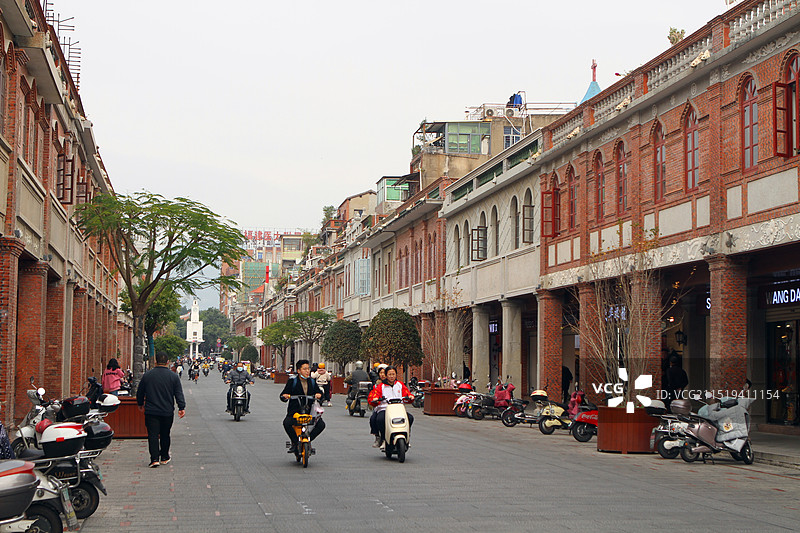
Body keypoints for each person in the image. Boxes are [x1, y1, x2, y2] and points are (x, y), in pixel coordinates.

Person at [136, 351, 186, 468]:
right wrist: (181, 407)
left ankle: (154, 459)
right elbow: (178, 393)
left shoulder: (148, 375)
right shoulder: (173, 376)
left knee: (152, 435)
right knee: (165, 434)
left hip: (151, 410)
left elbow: (140, 391)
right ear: (168, 362)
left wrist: (140, 404)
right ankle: (164, 456)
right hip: (167, 411)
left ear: (155, 361)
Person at [280, 359, 325, 454]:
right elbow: (284, 394)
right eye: (304, 369)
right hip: (295, 411)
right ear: (299, 370)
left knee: (321, 425)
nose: (307, 371)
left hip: (309, 412)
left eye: (308, 369)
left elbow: (320, 393)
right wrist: (285, 396)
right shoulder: (293, 381)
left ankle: (308, 440)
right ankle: (295, 442)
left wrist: (319, 395)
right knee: (286, 423)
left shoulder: (312, 382)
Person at [368, 366, 414, 448]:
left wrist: (410, 396)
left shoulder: (400, 385)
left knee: (410, 418)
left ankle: (407, 437)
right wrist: (375, 399)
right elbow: (373, 396)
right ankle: (383, 439)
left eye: (393, 374)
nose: (392, 376)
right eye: (389, 374)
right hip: (385, 408)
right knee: (380, 419)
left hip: (398, 409)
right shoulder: (381, 386)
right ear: (386, 375)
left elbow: (407, 393)